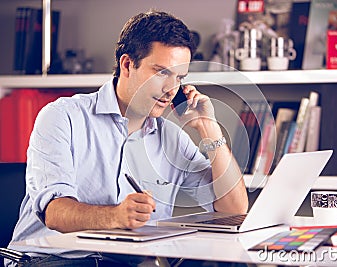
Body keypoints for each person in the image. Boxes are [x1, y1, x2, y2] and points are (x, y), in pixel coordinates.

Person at [7, 10, 248, 266]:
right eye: (161, 72)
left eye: (179, 77)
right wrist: (116, 216)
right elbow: (54, 213)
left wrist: (209, 129)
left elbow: (233, 209)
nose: (171, 89)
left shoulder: (171, 138)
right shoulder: (62, 116)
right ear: (127, 65)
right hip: (50, 259)